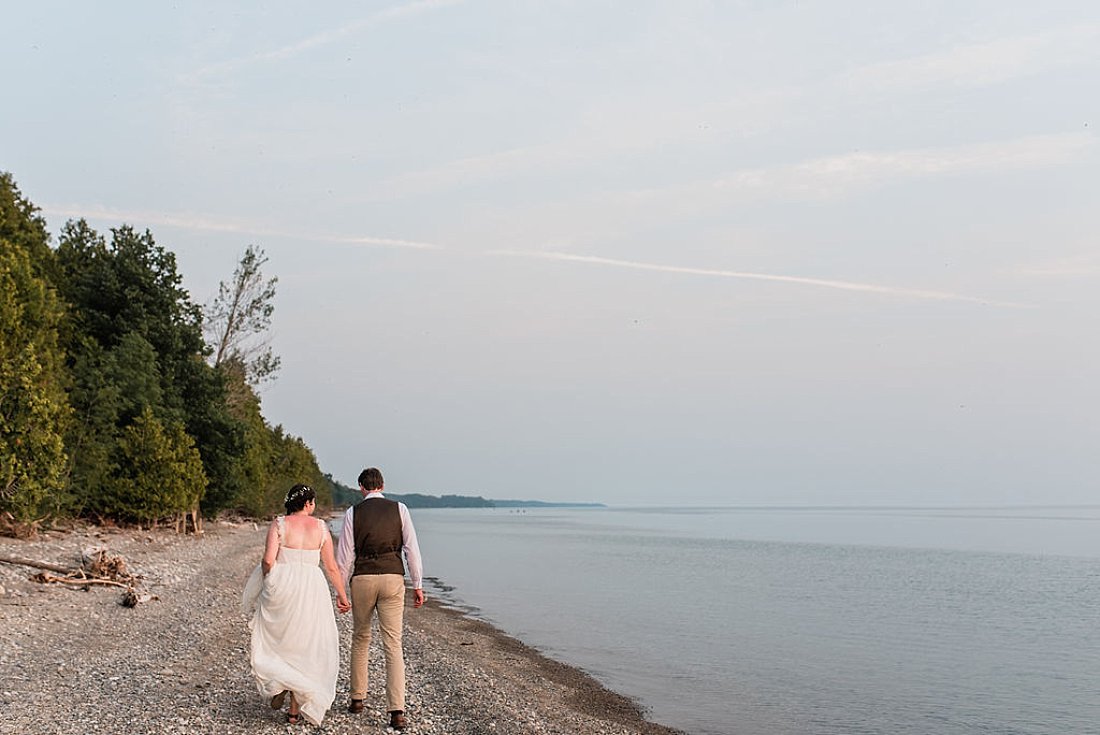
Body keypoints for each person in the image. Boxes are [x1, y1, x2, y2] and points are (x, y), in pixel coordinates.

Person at [241, 484, 351, 726]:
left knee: (282, 639)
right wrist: (342, 595)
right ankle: (293, 711)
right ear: (309, 503)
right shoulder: (321, 527)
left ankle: (280, 682)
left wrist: (271, 579)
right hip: (313, 586)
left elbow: (268, 560)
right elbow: (331, 567)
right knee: (306, 644)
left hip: (283, 583)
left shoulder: (279, 524)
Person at [336, 467, 424, 731]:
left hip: (363, 579)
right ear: (382, 485)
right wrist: (418, 584)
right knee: (393, 643)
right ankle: (397, 710)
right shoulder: (400, 509)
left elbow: (345, 556)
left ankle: (357, 698)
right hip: (392, 578)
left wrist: (341, 591)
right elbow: (411, 549)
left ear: (361, 487)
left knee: (361, 638)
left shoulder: (353, 512)